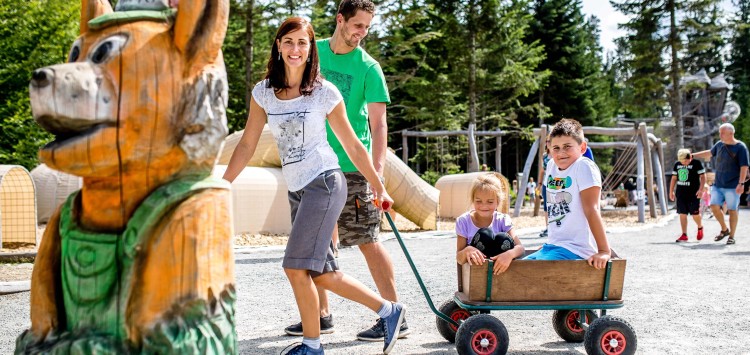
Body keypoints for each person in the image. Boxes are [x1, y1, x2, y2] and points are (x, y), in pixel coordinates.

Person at [222, 17, 405, 355]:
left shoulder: (324, 92)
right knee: (320, 272)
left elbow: (352, 145)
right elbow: (247, 144)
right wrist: (222, 184)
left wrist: (379, 186)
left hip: (325, 183)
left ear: (310, 49)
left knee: (296, 266)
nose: (295, 49)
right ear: (278, 45)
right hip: (300, 188)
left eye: (302, 43)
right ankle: (388, 310)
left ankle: (312, 345)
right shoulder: (263, 93)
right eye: (289, 42)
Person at [282, 0, 410, 342]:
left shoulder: (369, 67)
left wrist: (377, 171)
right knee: (318, 247)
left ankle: (394, 314)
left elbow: (378, 124)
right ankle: (322, 316)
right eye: (357, 25)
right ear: (340, 20)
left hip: (353, 168)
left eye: (367, 27)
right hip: (312, 165)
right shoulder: (313, 51)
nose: (361, 33)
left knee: (367, 240)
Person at [524, 119, 611, 269]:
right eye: (556, 148)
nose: (561, 152)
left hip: (577, 248)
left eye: (567, 146)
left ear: (582, 147)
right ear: (549, 149)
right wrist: (552, 244)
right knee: (514, 267)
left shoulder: (583, 166)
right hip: (554, 246)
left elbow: (592, 209)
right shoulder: (551, 165)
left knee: (526, 271)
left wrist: (603, 250)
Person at [693, 123, 749, 245]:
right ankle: (724, 229)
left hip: (733, 185)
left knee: (732, 210)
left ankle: (732, 236)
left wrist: (741, 183)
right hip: (718, 184)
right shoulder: (719, 145)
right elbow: (709, 153)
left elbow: (744, 166)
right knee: (713, 206)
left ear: (731, 133)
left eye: (722, 132)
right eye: (720, 132)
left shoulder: (741, 147)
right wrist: (692, 156)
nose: (720, 135)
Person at [456, 174, 525, 274]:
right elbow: (459, 258)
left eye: (490, 202)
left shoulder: (503, 220)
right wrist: (467, 250)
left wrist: (510, 254)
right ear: (473, 200)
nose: (484, 206)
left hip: (502, 272)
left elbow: (520, 248)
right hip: (476, 275)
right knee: (484, 234)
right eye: (479, 201)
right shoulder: (464, 221)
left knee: (503, 238)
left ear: (498, 202)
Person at [669, 149, 706, 242]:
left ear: (690, 157)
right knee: (682, 213)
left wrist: (701, 189)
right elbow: (674, 178)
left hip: (694, 193)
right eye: (682, 161)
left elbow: (703, 177)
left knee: (695, 214)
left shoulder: (697, 163)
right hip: (681, 193)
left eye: (685, 161)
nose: (683, 163)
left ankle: (700, 227)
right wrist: (671, 191)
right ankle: (684, 234)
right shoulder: (677, 164)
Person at [540, 138, 551, 237]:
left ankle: (555, 227)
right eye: (547, 141)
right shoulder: (544, 156)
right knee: (546, 206)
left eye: (550, 141)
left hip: (557, 184)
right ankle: (548, 227)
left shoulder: (559, 154)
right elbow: (542, 170)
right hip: (545, 183)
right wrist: (539, 183)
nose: (548, 143)